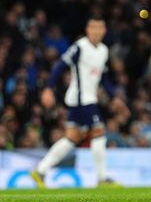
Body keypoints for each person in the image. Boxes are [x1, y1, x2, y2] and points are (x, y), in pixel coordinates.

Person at [30, 16, 123, 188]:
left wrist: (114, 97)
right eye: (93, 28)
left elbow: (102, 78)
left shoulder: (103, 50)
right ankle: (102, 178)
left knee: (71, 139)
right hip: (81, 100)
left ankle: (40, 171)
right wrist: (48, 88)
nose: (96, 31)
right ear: (88, 30)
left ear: (104, 30)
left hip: (89, 99)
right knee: (99, 133)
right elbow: (60, 66)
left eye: (100, 28)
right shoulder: (80, 47)